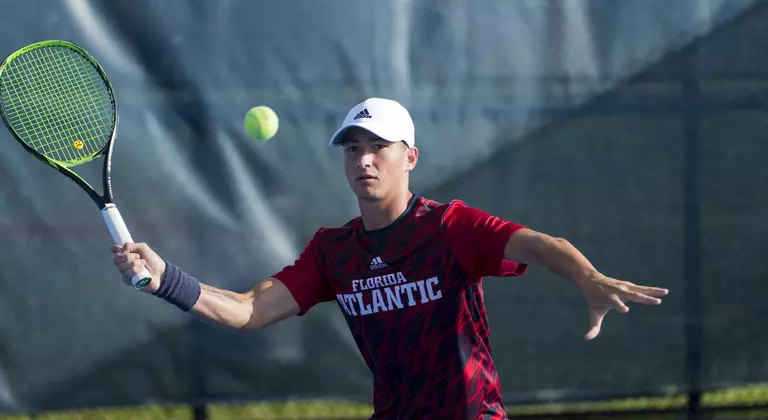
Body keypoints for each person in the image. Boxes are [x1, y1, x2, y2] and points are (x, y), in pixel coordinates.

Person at [112, 97, 669, 420]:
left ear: (410, 157)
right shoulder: (334, 251)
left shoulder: (449, 226)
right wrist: (165, 280)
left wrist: (588, 276)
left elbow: (539, 244)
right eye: (352, 148)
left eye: (378, 146)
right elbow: (248, 310)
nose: (364, 160)